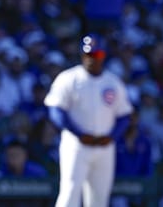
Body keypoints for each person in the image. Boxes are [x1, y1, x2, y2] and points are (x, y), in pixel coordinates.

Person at [44, 34, 133, 207]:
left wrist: (112, 136)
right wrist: (78, 133)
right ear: (82, 55)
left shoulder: (113, 82)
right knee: (70, 192)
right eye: (89, 55)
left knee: (99, 197)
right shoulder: (69, 78)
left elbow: (124, 116)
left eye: (96, 55)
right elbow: (56, 111)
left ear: (103, 55)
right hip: (77, 145)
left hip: (104, 145)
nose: (92, 59)